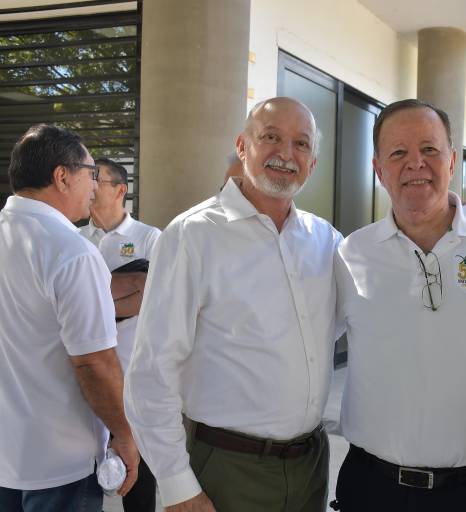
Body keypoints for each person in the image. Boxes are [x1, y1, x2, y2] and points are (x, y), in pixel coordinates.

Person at [125, 97, 342, 512]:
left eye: (301, 144)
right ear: (243, 146)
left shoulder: (326, 240)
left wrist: (457, 221)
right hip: (226, 468)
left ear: (312, 163)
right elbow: (152, 371)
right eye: (271, 137)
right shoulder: (192, 236)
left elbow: (377, 296)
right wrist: (177, 486)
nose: (286, 154)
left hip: (311, 467)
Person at [333, 99, 466, 512]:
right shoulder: (351, 253)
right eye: (398, 153)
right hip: (368, 489)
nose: (416, 164)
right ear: (379, 170)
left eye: (429, 150)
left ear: (452, 161)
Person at [0, 125, 139, 511]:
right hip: (60, 465)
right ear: (62, 176)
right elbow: (94, 363)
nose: (95, 186)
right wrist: (125, 434)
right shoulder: (71, 252)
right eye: (91, 174)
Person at [79, 157, 161, 512]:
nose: (92, 185)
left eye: (99, 178)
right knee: (85, 478)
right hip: (84, 377)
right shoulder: (76, 238)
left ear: (121, 190)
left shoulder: (149, 238)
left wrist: (91, 301)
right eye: (89, 177)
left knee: (137, 483)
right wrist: (124, 290)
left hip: (133, 380)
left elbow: (154, 299)